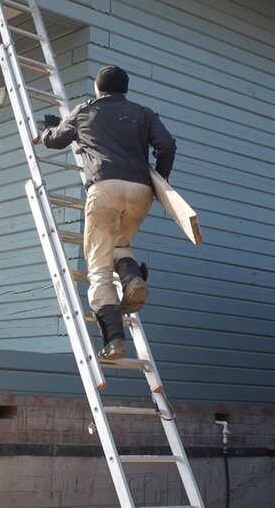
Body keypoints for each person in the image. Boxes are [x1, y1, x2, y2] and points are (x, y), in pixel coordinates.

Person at [38, 65, 176, 360]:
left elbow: (55, 140)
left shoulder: (85, 111)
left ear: (98, 89)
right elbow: (167, 145)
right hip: (141, 191)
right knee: (120, 245)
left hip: (104, 188)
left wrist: (48, 128)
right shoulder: (143, 113)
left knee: (98, 266)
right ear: (125, 90)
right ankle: (131, 278)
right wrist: (160, 183)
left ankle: (114, 339)